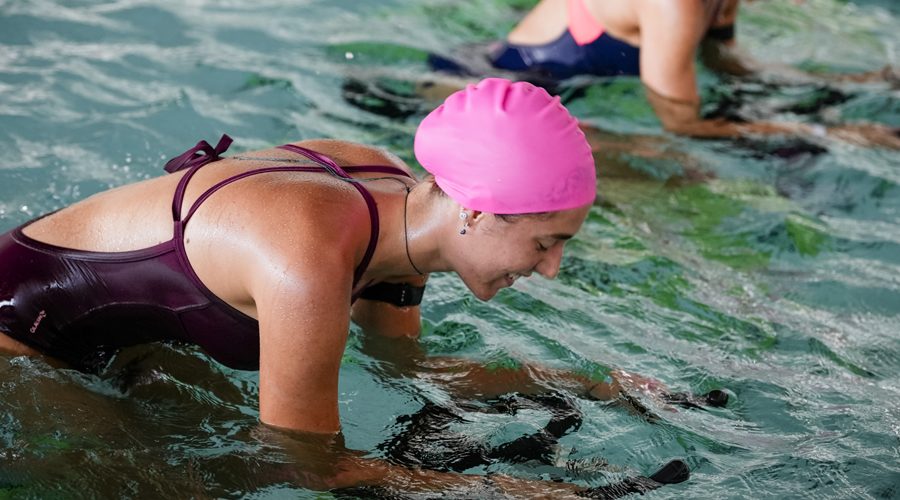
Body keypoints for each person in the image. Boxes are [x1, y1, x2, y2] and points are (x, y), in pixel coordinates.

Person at [0, 78, 691, 496]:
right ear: (476, 212)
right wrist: (496, 491)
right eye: (546, 242)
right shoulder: (310, 257)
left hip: (116, 326)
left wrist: (593, 384)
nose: (551, 270)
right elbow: (304, 464)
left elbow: (403, 365)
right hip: (20, 333)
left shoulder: (403, 214)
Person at [427, 0, 900, 147]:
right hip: (484, 90)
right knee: (675, 170)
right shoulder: (680, 3)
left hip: (567, 89)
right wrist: (833, 133)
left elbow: (727, 65)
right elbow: (682, 123)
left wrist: (854, 85)